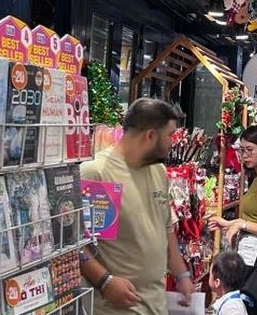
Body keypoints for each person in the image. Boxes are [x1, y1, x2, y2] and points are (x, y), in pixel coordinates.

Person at [79, 99, 193, 314]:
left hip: (156, 303)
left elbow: (166, 228)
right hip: (117, 307)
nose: (173, 142)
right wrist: (105, 281)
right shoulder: (99, 174)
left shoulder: (158, 171)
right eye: (170, 135)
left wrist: (181, 274)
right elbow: (75, 244)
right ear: (150, 136)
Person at [209, 126, 257, 266]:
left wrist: (241, 224)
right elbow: (256, 218)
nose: (245, 155)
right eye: (242, 150)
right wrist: (229, 223)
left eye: (250, 150)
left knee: (252, 287)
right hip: (250, 247)